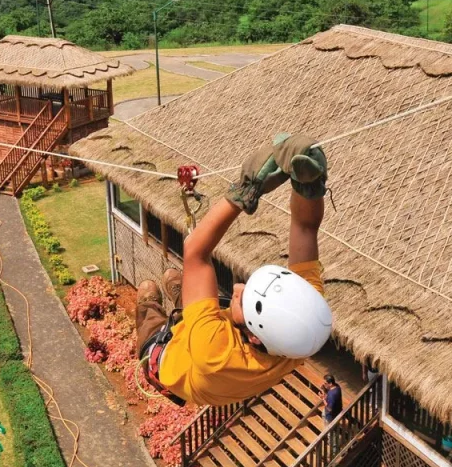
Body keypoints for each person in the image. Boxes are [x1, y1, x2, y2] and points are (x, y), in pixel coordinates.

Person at [136, 134, 333, 406]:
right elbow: (305, 227)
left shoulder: (214, 352)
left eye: (244, 298)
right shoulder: (304, 325)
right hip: (211, 346)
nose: (238, 288)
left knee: (151, 318)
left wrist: (245, 191)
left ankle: (151, 305)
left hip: (166, 361)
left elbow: (195, 251)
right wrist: (309, 187)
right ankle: (185, 298)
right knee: (197, 301)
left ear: (253, 335)